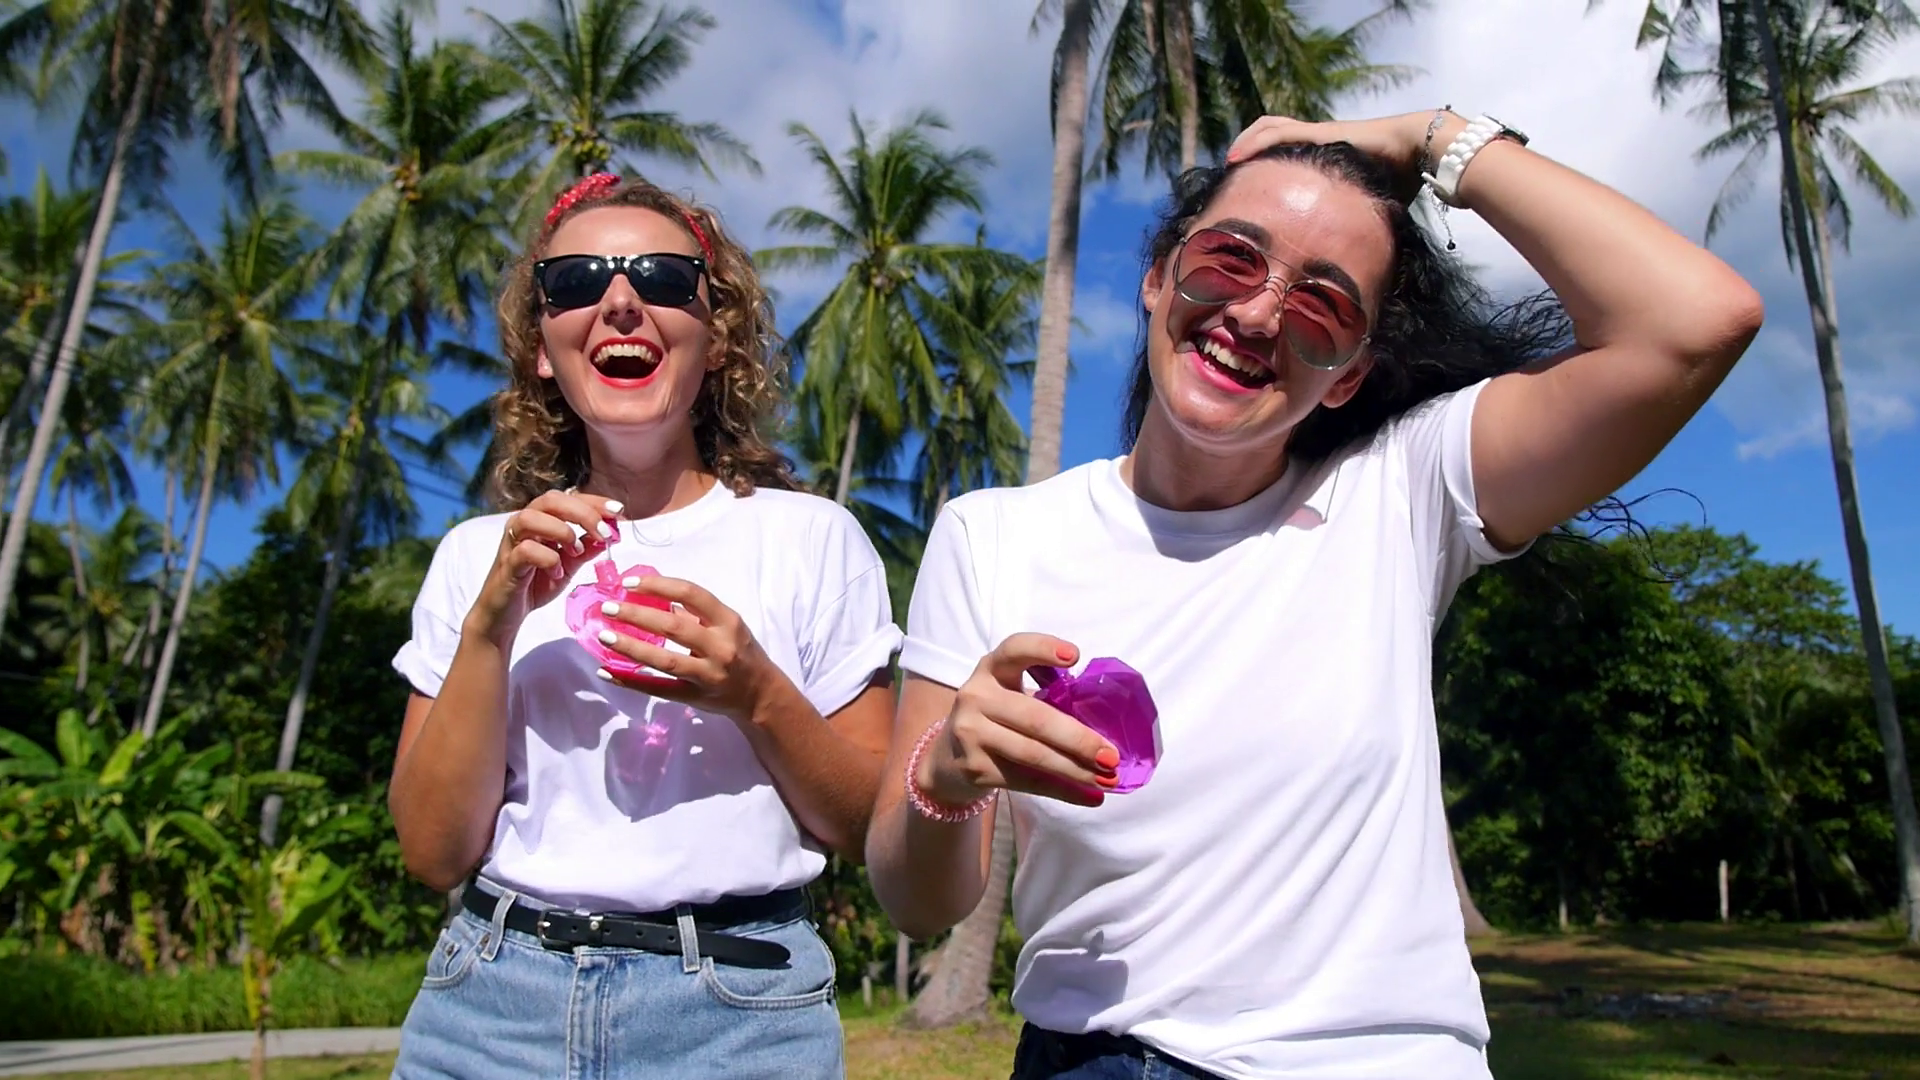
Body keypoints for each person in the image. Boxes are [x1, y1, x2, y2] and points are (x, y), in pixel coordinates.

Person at [865, 109, 1763, 1080]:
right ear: (1159, 274)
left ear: (1348, 376)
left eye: (1323, 305)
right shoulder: (994, 536)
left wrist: (1427, 138)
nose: (1257, 316)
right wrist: (945, 778)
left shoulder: (1404, 488)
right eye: (1231, 258)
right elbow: (918, 903)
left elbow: (1695, 322)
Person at [386, 173, 901, 1080]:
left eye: (662, 277)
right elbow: (433, 851)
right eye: (576, 282)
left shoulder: (813, 539)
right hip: (490, 1006)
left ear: (717, 337)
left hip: (739, 1016)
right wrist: (488, 634)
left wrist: (756, 693)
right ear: (542, 349)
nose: (620, 300)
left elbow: (870, 827)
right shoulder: (478, 556)